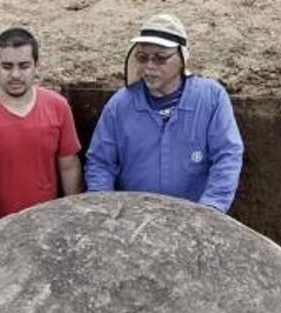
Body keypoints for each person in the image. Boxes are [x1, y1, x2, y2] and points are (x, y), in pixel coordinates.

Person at [85, 14, 244, 213]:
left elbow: (227, 155)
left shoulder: (211, 98)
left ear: (182, 58)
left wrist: (211, 209)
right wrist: (104, 209)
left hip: (194, 217)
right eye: (142, 58)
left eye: (160, 58)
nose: (149, 66)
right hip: (133, 219)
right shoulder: (120, 105)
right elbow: (101, 162)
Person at [0, 27, 82, 231]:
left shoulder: (58, 107)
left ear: (36, 66)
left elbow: (69, 166)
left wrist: (72, 216)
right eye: (7, 66)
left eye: (24, 66)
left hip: (46, 225)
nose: (15, 74)